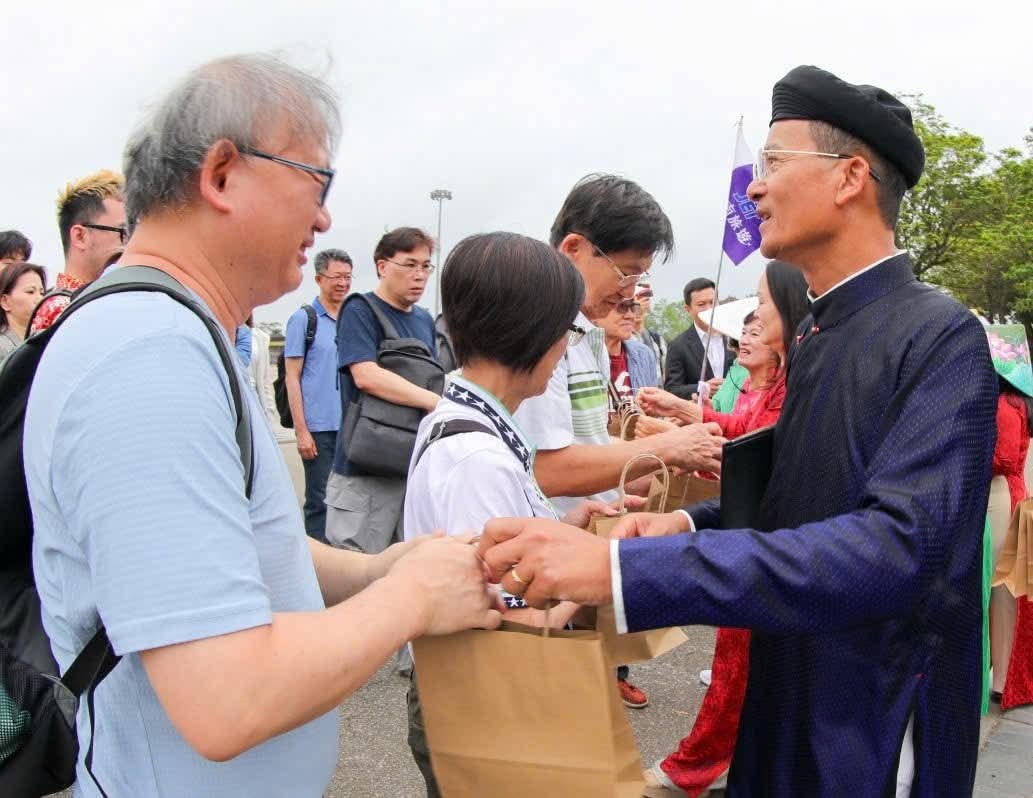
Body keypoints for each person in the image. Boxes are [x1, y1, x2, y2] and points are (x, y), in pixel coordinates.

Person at [478, 64, 997, 796]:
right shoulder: (821, 331)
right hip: (785, 679)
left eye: (773, 164)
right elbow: (800, 500)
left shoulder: (938, 337)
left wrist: (627, 573)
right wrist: (688, 526)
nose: (753, 189)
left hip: (871, 708)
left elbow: (895, 548)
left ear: (850, 177)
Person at [25, 53, 499, 797]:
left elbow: (243, 545)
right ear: (220, 175)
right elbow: (224, 697)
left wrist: (377, 570)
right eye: (318, 182)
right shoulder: (147, 354)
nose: (325, 218)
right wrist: (410, 600)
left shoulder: (179, 332)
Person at [404, 231, 622, 797]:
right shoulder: (478, 456)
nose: (567, 347)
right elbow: (514, 617)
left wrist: (560, 533)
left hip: (472, 695)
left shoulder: (473, 421)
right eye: (567, 333)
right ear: (537, 337)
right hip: (483, 703)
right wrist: (596, 571)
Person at [513, 173, 725, 709]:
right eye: (626, 273)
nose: (629, 292)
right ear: (574, 248)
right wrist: (669, 450)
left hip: (572, 544)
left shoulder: (581, 334)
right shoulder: (539, 335)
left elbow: (586, 442)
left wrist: (663, 456)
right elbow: (550, 469)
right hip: (542, 565)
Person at [634, 260, 809, 796]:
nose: (751, 321)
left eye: (763, 309)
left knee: (739, 665)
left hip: (771, 543)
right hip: (758, 535)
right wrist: (687, 424)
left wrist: (683, 435)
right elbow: (743, 436)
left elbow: (757, 457)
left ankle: (692, 768)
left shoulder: (800, 381)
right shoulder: (774, 382)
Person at [325, 228, 440, 555]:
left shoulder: (424, 321)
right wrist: (435, 402)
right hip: (365, 471)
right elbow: (366, 375)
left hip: (409, 468)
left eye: (425, 266)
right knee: (355, 574)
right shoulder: (360, 310)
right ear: (382, 266)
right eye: (409, 264)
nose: (419, 275)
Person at [639, 261, 809, 441]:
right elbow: (741, 425)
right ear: (687, 309)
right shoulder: (760, 380)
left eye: (761, 302)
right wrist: (678, 407)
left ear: (787, 306)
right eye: (743, 333)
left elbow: (754, 454)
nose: (756, 314)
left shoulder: (793, 378)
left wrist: (674, 436)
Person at [285, 248, 352, 542]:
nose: (343, 283)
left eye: (347, 277)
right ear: (319, 278)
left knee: (349, 499)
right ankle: (317, 571)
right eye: (336, 277)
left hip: (349, 426)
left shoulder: (353, 318)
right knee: (319, 502)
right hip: (319, 428)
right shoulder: (304, 319)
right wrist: (302, 431)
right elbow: (292, 376)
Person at [985, 325, 1033, 710]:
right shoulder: (1018, 403)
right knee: (1007, 593)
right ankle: (1002, 676)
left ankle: (1001, 678)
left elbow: (1000, 460)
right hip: (1013, 497)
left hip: (1003, 499)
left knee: (1000, 592)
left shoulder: (1003, 405)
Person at [29, 170, 126, 333]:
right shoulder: (62, 310)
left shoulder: (91, 301)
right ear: (80, 236)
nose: (129, 245)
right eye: (122, 232)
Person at [664, 277, 735, 401]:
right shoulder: (678, 346)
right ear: (688, 309)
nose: (709, 309)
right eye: (701, 305)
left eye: (712, 302)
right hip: (700, 415)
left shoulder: (734, 338)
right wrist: (702, 388)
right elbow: (671, 389)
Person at [600, 297, 659, 413]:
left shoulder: (644, 355)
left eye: (632, 308)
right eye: (621, 307)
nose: (630, 316)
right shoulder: (577, 358)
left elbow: (652, 411)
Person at [0, 261, 46, 362]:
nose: (40, 299)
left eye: (42, 293)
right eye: (30, 292)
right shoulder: (2, 347)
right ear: (5, 301)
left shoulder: (42, 340)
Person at [634, 283, 667, 383]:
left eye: (641, 309)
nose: (637, 312)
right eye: (634, 307)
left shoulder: (657, 340)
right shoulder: (620, 342)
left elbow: (665, 375)